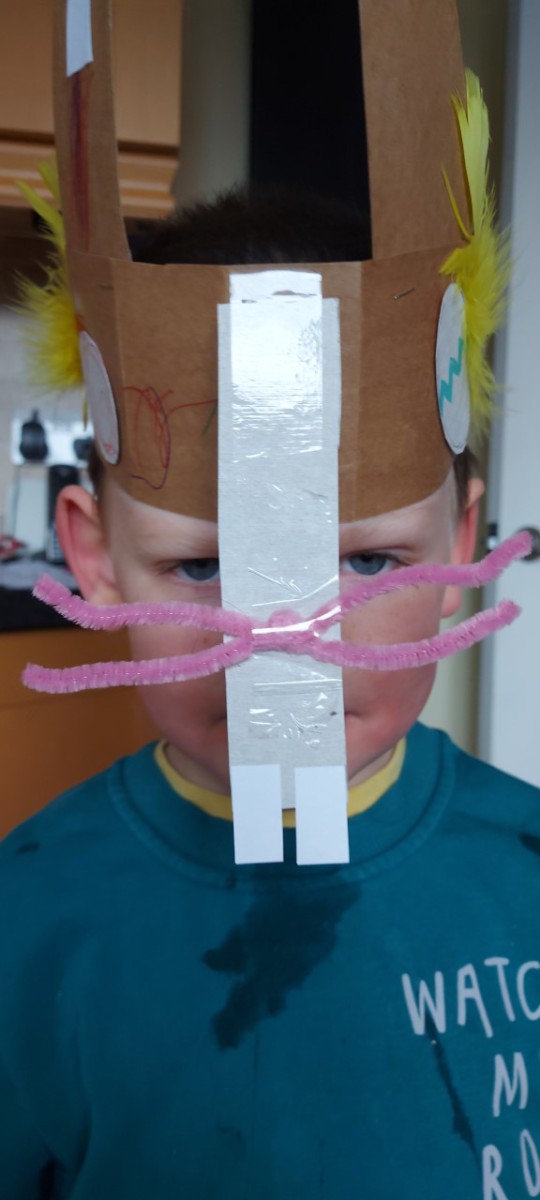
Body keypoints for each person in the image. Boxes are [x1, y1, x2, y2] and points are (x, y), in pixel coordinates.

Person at [1, 185, 540, 1200]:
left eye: (370, 562)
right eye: (203, 567)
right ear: (96, 560)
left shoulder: (525, 873)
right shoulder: (23, 924)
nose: (291, 641)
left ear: (462, 550)